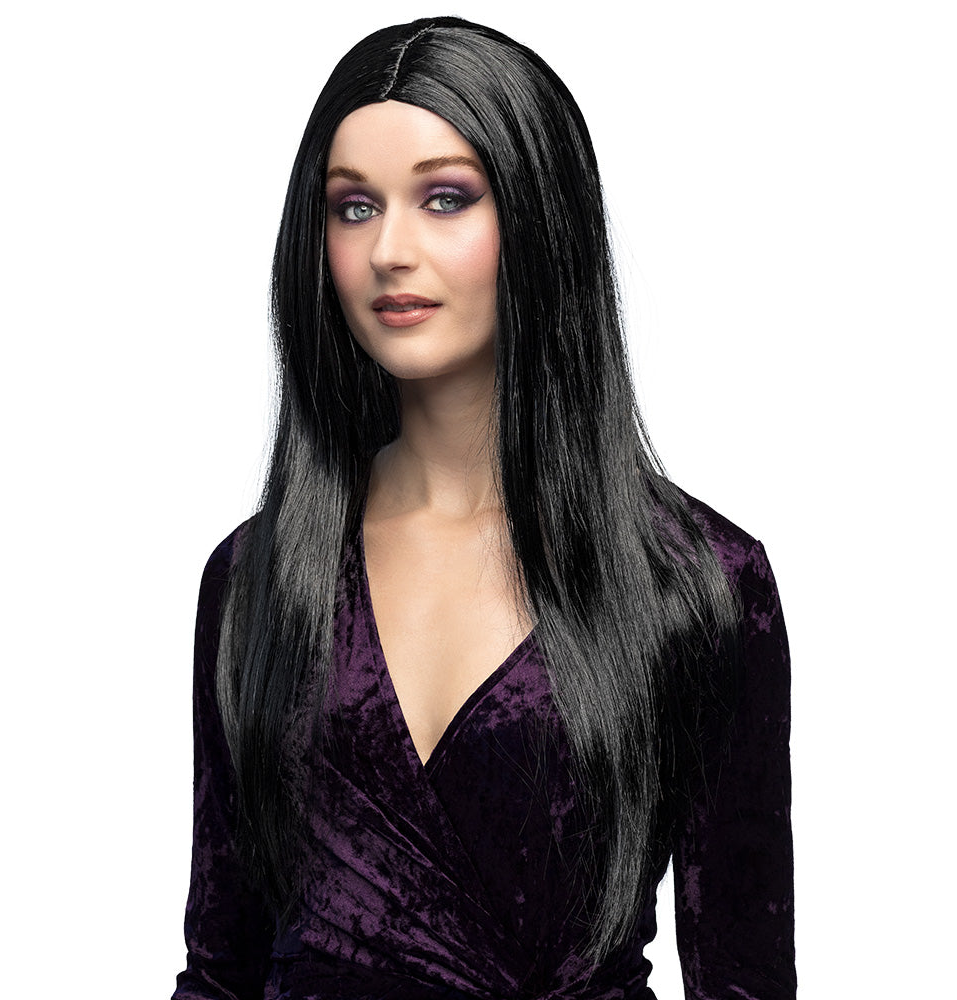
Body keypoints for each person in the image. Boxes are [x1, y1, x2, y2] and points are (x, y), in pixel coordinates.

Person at [173, 16, 795, 1000]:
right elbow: (220, 972)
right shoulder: (258, 578)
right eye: (352, 207)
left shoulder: (699, 585)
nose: (389, 249)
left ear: (539, 215)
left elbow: (743, 982)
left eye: (445, 198)